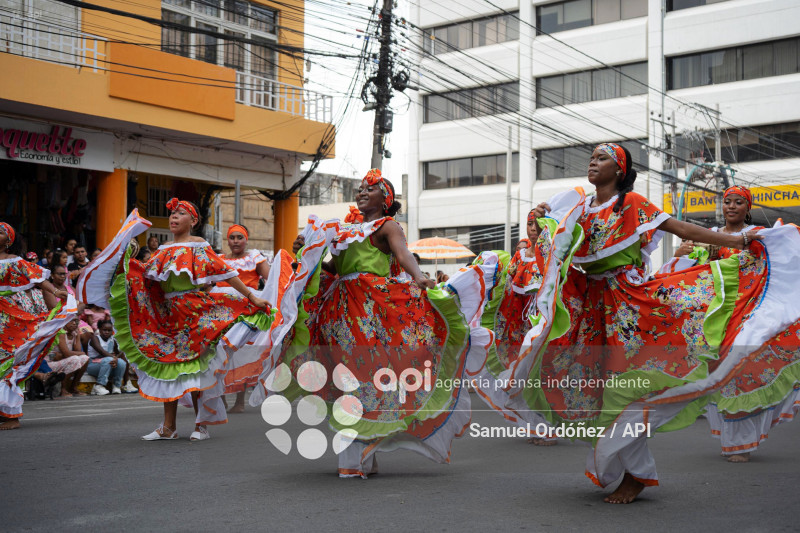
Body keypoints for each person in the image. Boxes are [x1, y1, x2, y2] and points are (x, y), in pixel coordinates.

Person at [498, 143, 800, 504]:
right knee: (595, 391)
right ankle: (629, 468)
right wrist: (547, 217)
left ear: (620, 169)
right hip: (592, 311)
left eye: (603, 158)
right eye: (592, 158)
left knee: (629, 389)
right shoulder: (579, 207)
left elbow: (679, 226)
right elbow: (554, 246)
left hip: (630, 305)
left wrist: (737, 240)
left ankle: (637, 474)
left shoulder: (632, 205)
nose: (593, 163)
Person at [252, 169, 498, 478]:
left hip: (373, 312)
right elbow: (334, 267)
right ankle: (363, 452)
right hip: (339, 314)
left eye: (371, 188)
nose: (362, 191)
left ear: (387, 199)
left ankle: (356, 457)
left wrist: (419, 276)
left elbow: (403, 253)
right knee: (346, 378)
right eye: (360, 188)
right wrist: (307, 249)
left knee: (360, 378)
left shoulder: (387, 225)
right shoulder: (343, 229)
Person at [77, 199, 289, 442]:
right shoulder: (163, 249)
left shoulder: (198, 245)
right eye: (172, 214)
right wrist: (124, 263)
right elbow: (146, 279)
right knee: (169, 367)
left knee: (195, 369)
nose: (173, 217)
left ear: (194, 221)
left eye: (180, 213)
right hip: (167, 315)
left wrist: (252, 297)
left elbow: (226, 273)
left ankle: (201, 425)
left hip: (195, 313)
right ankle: (168, 427)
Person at [470, 209, 555, 445]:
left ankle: (547, 427)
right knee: (521, 376)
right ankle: (536, 425)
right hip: (520, 325)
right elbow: (508, 292)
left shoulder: (550, 254)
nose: (534, 228)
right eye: (530, 224)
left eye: (538, 224)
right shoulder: (518, 257)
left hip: (542, 324)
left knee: (538, 375)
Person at [0, 222, 76, 429]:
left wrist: (56, 291)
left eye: (0, 233)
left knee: (6, 363)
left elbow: (38, 279)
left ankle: (11, 417)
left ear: (9, 240)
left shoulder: (14, 262)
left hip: (7, 317)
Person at [211, 224, 271, 413]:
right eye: (232, 238)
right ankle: (220, 398)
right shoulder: (219, 259)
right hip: (220, 309)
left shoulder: (255, 258)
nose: (235, 241)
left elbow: (271, 279)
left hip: (246, 310)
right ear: (227, 240)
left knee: (240, 352)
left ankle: (239, 401)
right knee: (217, 351)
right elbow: (207, 281)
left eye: (239, 237)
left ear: (246, 239)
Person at [45, 318, 89, 398]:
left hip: (62, 360)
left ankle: (73, 387)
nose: (74, 323)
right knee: (75, 359)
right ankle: (63, 389)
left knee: (85, 358)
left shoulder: (74, 333)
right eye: (71, 320)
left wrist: (77, 335)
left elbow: (78, 350)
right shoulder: (60, 332)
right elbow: (67, 354)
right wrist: (81, 353)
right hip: (50, 363)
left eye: (76, 321)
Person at [86, 319, 127, 395]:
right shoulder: (95, 339)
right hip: (93, 365)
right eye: (104, 330)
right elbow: (102, 351)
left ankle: (116, 386)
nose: (107, 332)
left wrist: (116, 360)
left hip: (108, 363)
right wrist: (114, 359)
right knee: (109, 359)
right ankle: (99, 386)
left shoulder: (113, 340)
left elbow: (119, 353)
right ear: (100, 330)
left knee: (122, 362)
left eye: (109, 330)